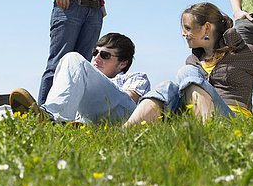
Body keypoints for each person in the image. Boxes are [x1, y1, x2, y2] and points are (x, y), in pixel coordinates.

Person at [124, 3, 253, 127]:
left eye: (188, 28)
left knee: (187, 72)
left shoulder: (247, 53)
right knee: (166, 87)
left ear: (206, 28)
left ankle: (209, 130)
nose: (184, 34)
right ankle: (126, 132)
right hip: (192, 119)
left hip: (232, 120)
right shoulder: (193, 60)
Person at [10, 33, 150, 124]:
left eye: (105, 55)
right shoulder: (79, 77)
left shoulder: (135, 77)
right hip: (87, 117)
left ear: (123, 63)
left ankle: (52, 117)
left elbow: (129, 103)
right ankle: (18, 121)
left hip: (121, 113)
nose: (97, 58)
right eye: (95, 53)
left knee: (72, 58)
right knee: (4, 110)